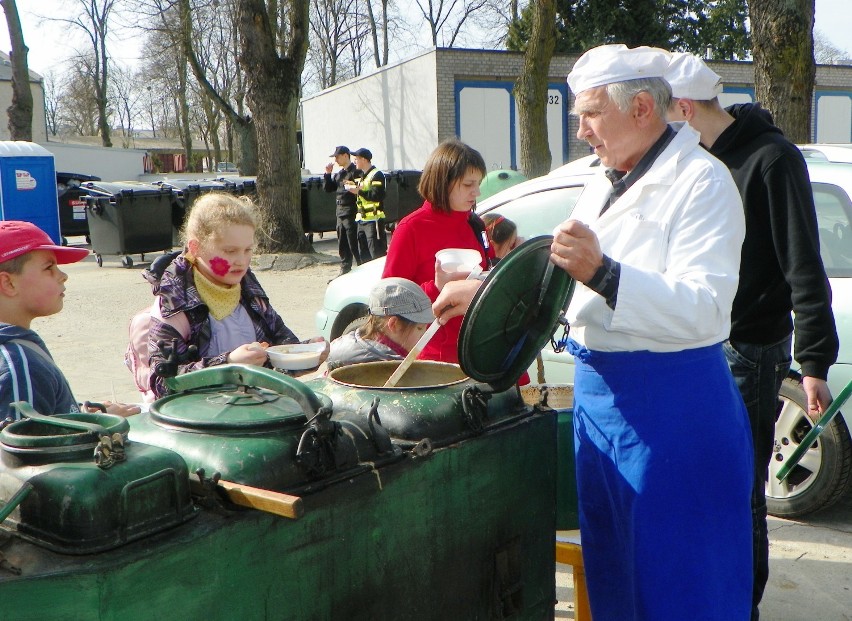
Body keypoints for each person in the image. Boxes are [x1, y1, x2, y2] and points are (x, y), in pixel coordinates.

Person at [551, 44, 753, 619]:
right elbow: (576, 280)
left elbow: (705, 307)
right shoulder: (603, 178)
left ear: (642, 107)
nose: (581, 130)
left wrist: (604, 273)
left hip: (674, 412)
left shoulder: (703, 183)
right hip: (601, 406)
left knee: (684, 585)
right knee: (616, 575)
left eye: (589, 114)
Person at [664, 52, 839, 620]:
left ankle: (743, 604)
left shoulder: (771, 159)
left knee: (740, 490)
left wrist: (814, 360)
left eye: (664, 116)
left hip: (749, 348)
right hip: (695, 343)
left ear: (685, 109)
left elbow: (802, 263)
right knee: (704, 485)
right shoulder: (691, 163)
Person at [146, 192, 327, 398]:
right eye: (230, 251)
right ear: (196, 248)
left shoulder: (249, 289)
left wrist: (307, 351)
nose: (241, 261)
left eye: (248, 250)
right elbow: (162, 382)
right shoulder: (173, 302)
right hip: (196, 420)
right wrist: (228, 363)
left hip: (251, 409)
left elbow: (281, 343)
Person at [0, 221, 139, 419]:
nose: (63, 276)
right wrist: (98, 426)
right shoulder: (19, 367)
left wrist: (81, 416)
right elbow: (26, 447)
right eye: (49, 268)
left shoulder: (17, 350)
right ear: (8, 283)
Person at [382, 138, 495, 364]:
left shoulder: (475, 224)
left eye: (478, 183)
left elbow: (489, 272)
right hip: (433, 357)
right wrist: (437, 287)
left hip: (479, 348)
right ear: (443, 182)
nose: (477, 192)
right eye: (468, 184)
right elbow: (388, 303)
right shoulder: (410, 228)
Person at [326, 277, 433, 371]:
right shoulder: (384, 370)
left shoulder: (357, 343)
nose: (424, 335)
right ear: (394, 324)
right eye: (419, 328)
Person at [323, 145, 362, 277]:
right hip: (340, 212)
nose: (336, 160)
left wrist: (350, 185)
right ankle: (345, 268)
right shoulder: (340, 174)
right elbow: (328, 189)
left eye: (338, 157)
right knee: (342, 243)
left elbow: (359, 190)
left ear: (346, 155)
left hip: (351, 211)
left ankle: (361, 268)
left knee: (353, 242)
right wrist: (328, 174)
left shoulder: (355, 171)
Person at [349, 147, 387, 261]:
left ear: (364, 160)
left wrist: (359, 191)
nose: (355, 161)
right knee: (363, 255)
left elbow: (377, 196)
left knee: (376, 253)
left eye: (357, 159)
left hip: (373, 220)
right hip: (361, 220)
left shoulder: (377, 175)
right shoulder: (362, 176)